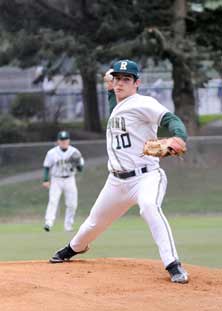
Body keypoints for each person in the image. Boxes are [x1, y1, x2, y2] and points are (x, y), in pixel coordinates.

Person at [49, 60, 189, 284]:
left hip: (146, 176)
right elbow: (113, 94)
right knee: (93, 223)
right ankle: (73, 248)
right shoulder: (117, 105)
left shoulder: (143, 102)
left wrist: (179, 136)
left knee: (149, 207)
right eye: (117, 79)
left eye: (126, 79)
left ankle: (173, 265)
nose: (120, 83)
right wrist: (110, 83)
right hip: (116, 182)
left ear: (137, 83)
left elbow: (170, 119)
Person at [42, 131, 84, 232]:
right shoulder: (51, 153)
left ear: (69, 140)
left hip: (70, 179)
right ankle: (48, 223)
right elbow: (46, 167)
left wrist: (78, 164)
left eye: (65, 140)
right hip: (56, 179)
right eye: (61, 140)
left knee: (72, 204)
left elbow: (80, 169)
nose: (64, 142)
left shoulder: (75, 152)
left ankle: (68, 226)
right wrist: (45, 179)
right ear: (58, 141)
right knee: (53, 201)